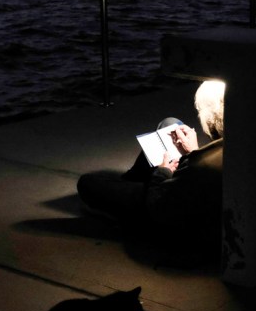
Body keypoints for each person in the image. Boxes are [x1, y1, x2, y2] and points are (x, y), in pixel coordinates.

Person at [77, 79, 225, 266]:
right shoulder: (232, 149)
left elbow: (159, 206)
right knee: (170, 124)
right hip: (189, 191)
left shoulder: (200, 167)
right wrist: (193, 152)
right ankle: (130, 184)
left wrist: (163, 172)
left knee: (88, 183)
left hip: (165, 211)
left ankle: (127, 196)